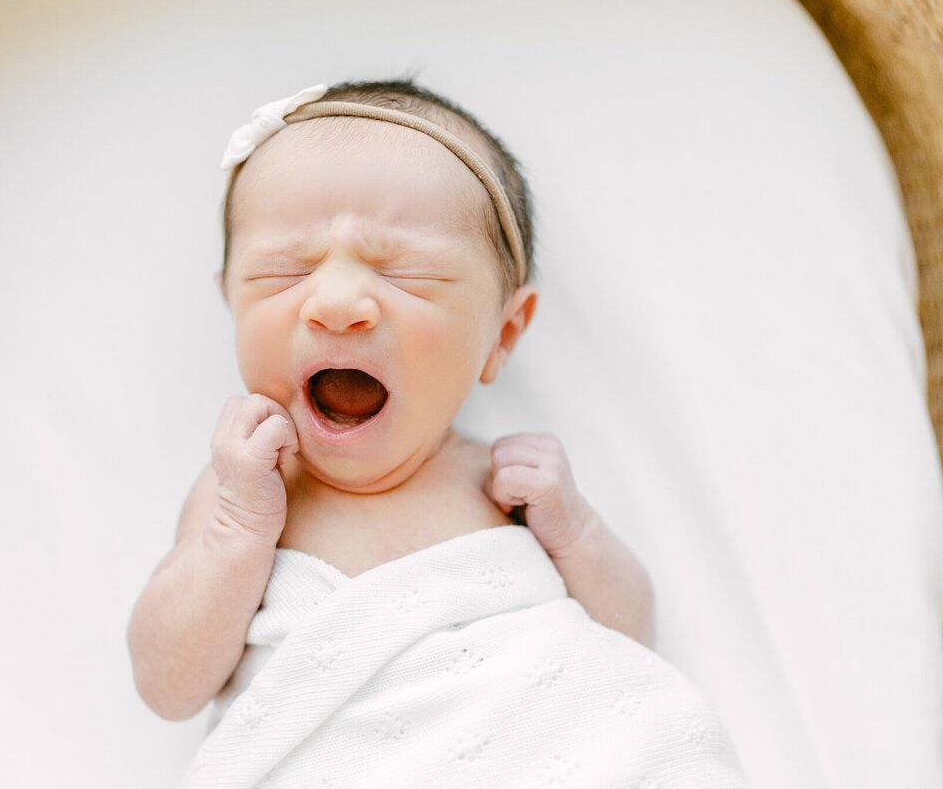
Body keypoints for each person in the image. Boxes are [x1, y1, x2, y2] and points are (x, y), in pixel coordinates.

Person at [127, 79, 741, 787]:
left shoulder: (503, 487)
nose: (337, 303)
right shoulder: (240, 497)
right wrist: (236, 528)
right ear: (230, 298)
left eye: (406, 271)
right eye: (284, 270)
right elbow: (166, 683)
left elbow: (631, 641)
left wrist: (575, 530)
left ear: (502, 333)